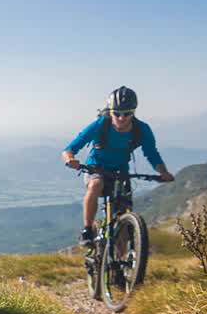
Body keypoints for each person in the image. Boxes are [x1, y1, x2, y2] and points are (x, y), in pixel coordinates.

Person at [61, 86, 175, 245]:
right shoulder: (101, 125)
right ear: (110, 111)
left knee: (122, 224)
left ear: (133, 112)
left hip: (121, 172)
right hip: (96, 167)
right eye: (117, 113)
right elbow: (70, 148)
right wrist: (70, 159)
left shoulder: (142, 129)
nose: (122, 118)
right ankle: (87, 230)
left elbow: (151, 153)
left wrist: (163, 172)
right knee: (96, 184)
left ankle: (121, 266)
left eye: (127, 113)